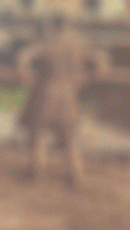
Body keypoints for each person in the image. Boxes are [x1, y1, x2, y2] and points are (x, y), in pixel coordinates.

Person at [14, 13, 110, 188]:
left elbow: (22, 57)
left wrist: (30, 78)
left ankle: (36, 172)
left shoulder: (47, 44)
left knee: (39, 134)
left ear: (52, 27)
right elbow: (102, 66)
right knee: (70, 138)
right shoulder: (79, 45)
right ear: (67, 27)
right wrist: (85, 81)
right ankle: (76, 176)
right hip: (68, 93)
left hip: (46, 91)